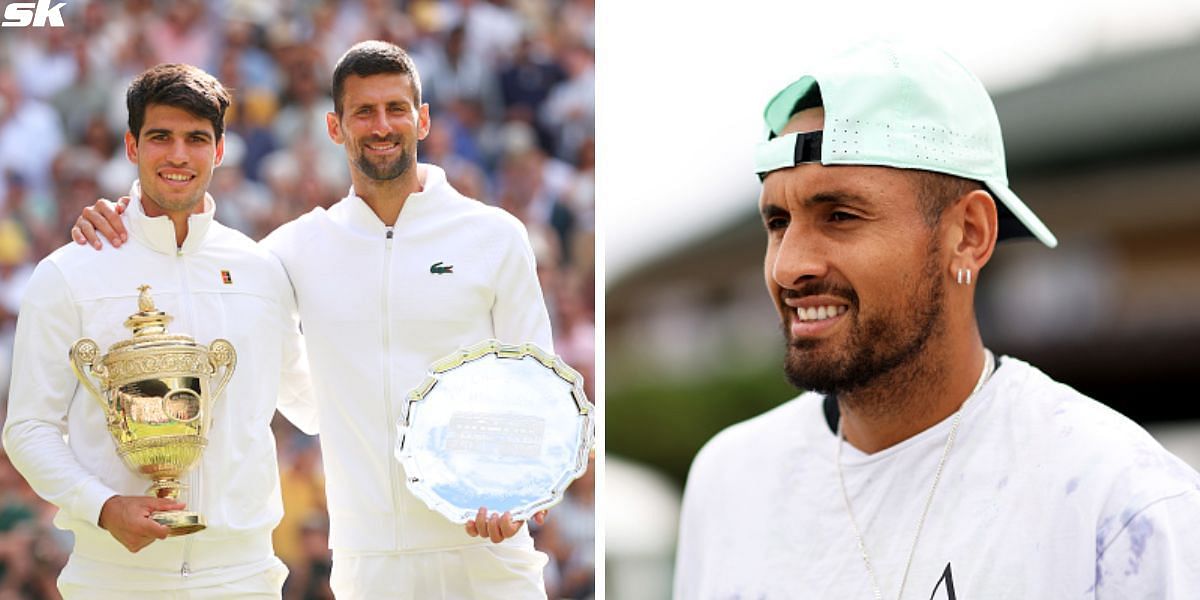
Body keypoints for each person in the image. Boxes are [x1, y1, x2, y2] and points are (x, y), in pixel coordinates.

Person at [673, 38, 1200, 599]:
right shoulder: (729, 480)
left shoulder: (1118, 500)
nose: (788, 267)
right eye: (778, 222)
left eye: (841, 215)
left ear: (968, 235)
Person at [74, 41, 557, 599]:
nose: (382, 125)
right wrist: (126, 222)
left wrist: (520, 490)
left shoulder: (495, 236)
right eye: (363, 112)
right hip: (366, 562)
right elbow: (194, 266)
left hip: (490, 554)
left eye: (396, 108)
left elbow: (539, 385)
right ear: (335, 127)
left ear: (422, 119)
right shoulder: (292, 249)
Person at [3, 64, 316, 598]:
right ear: (131, 145)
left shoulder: (260, 270)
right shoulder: (69, 271)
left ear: (219, 150)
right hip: (113, 576)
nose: (178, 156)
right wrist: (101, 505)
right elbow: (28, 427)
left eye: (196, 139)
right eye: (160, 138)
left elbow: (311, 403)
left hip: (244, 576)